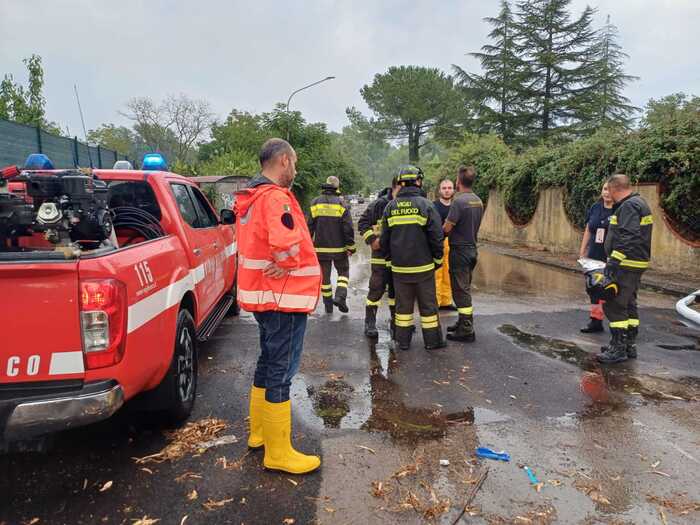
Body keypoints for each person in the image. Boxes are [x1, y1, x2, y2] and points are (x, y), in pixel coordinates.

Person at [234, 138, 321, 474]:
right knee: (281, 371)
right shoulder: (274, 198)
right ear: (284, 160)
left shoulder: (250, 198)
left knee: (268, 362)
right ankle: (279, 453)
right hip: (282, 297)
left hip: (263, 296)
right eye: (294, 163)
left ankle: (259, 435)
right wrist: (287, 262)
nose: (295, 169)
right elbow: (286, 242)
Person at [380, 166, 446, 351]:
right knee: (428, 306)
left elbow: (384, 239)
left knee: (403, 307)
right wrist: (438, 258)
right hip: (424, 267)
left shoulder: (390, 207)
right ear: (418, 181)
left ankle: (403, 342)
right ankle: (432, 342)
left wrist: (388, 260)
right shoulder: (426, 205)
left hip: (400, 268)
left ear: (400, 183)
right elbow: (436, 236)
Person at [597, 174, 653, 364]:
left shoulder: (629, 206)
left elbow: (628, 237)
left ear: (614, 188)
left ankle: (618, 349)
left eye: (608, 189)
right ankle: (628, 345)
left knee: (615, 303)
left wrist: (613, 262)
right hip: (634, 263)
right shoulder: (639, 203)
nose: (607, 193)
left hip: (626, 264)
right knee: (629, 303)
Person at [443, 166, 483, 343]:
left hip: (459, 250)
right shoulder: (478, 201)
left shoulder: (458, 203)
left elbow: (447, 228)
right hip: (472, 249)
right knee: (464, 286)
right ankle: (462, 322)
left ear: (458, 182)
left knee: (460, 290)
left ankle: (466, 330)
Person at [358, 177, 399, 338]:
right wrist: (372, 239)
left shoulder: (405, 204)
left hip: (398, 257)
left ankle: (397, 322)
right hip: (380, 256)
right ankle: (370, 322)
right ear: (395, 187)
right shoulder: (379, 204)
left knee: (396, 293)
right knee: (376, 289)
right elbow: (362, 223)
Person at [308, 175, 356, 314]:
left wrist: (307, 245)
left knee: (325, 278)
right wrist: (351, 247)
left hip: (320, 249)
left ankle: (328, 306)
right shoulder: (341, 204)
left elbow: (309, 226)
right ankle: (340, 297)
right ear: (337, 188)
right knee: (343, 272)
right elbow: (348, 228)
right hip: (339, 249)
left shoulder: (315, 202)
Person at [579, 182, 615, 333]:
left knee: (609, 291)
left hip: (610, 257)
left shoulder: (620, 210)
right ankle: (596, 321)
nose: (606, 193)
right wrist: (582, 251)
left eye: (610, 190)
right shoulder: (595, 207)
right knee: (594, 288)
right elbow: (588, 229)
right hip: (594, 254)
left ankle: (619, 325)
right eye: (604, 189)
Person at [433, 178, 455, 308]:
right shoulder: (433, 206)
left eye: (449, 188)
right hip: (438, 243)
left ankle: (446, 301)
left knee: (448, 274)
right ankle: (436, 302)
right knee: (437, 274)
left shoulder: (456, 206)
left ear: (453, 190)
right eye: (444, 188)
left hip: (452, 244)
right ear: (439, 190)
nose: (447, 191)